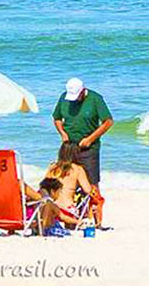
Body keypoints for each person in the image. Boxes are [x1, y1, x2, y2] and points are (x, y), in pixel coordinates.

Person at [52, 78, 113, 226]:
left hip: (88, 148)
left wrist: (90, 139)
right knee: (66, 180)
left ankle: (97, 221)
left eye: (77, 96)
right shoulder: (64, 97)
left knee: (92, 184)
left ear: (83, 91)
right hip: (68, 146)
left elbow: (108, 121)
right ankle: (71, 217)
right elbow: (56, 118)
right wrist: (63, 134)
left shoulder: (95, 99)